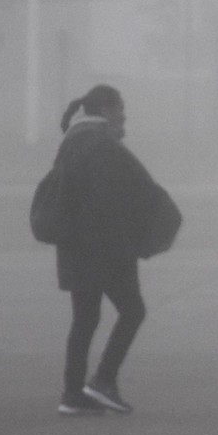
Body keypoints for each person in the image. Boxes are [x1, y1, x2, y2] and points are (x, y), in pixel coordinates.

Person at [49, 84, 172, 416]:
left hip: (74, 245)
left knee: (85, 319)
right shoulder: (102, 146)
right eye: (120, 108)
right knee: (133, 311)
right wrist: (134, 239)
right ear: (106, 110)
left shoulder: (72, 143)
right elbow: (117, 198)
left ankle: (72, 394)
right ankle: (103, 380)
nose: (125, 115)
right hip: (105, 246)